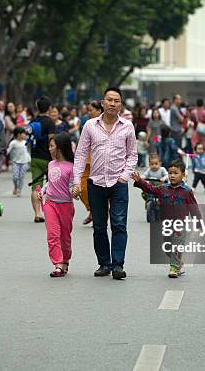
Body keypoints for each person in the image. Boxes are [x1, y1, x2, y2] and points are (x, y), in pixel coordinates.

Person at [72, 87, 138, 280]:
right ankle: (104, 263)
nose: (112, 103)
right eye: (109, 100)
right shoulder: (90, 126)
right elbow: (81, 154)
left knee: (119, 224)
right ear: (102, 103)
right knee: (99, 226)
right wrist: (77, 181)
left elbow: (132, 154)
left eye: (116, 101)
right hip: (96, 182)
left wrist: (125, 176)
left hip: (118, 183)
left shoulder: (127, 126)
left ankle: (118, 265)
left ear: (120, 105)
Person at [131, 159, 201, 278]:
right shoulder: (163, 188)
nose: (172, 176)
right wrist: (140, 181)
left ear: (183, 175)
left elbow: (193, 207)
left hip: (180, 224)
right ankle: (178, 262)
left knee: (177, 245)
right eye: (170, 173)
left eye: (176, 173)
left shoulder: (186, 191)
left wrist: (198, 222)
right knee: (168, 247)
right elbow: (150, 189)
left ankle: (173, 268)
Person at [38, 133, 75, 278]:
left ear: (59, 148)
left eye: (52, 146)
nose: (49, 149)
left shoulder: (71, 167)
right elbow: (50, 181)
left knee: (65, 236)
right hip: (50, 203)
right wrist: (43, 190)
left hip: (66, 205)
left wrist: (75, 191)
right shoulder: (50, 164)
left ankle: (65, 259)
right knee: (53, 235)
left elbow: (72, 185)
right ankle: (58, 264)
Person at [28, 97, 56, 223]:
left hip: (35, 157)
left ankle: (37, 213)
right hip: (48, 158)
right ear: (49, 108)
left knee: (36, 186)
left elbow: (28, 140)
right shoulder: (50, 123)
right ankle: (51, 212)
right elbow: (52, 140)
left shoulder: (33, 122)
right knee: (52, 186)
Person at [79, 101, 103, 226]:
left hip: (100, 162)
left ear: (99, 111)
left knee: (100, 190)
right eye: (88, 110)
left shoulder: (106, 124)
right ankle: (92, 210)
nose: (89, 112)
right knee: (82, 188)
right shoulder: (87, 124)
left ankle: (97, 213)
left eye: (91, 110)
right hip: (86, 161)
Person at [7, 127, 31, 196]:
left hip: (25, 162)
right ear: (18, 134)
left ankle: (19, 190)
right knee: (15, 176)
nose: (25, 135)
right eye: (23, 134)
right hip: (15, 162)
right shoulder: (13, 143)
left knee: (21, 176)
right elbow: (8, 150)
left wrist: (29, 159)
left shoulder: (25, 142)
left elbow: (27, 151)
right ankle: (15, 186)